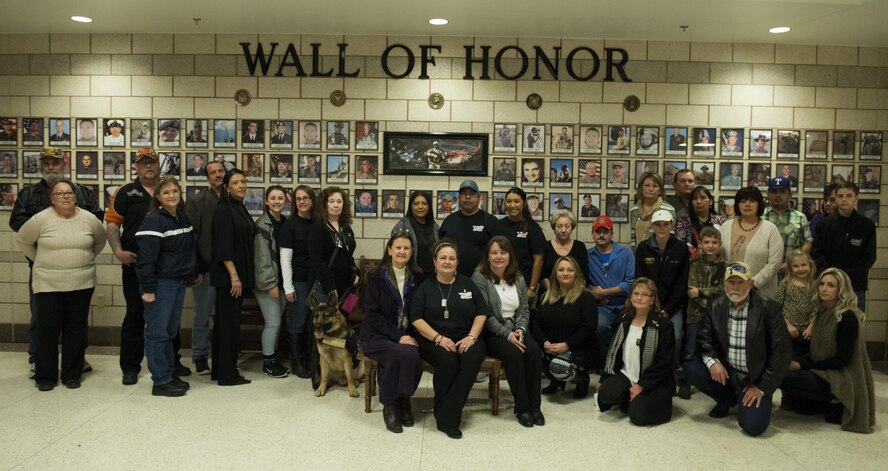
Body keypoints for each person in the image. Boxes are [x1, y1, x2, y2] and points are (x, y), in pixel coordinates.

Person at [9, 147, 103, 379]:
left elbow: (97, 226)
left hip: (78, 272)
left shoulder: (83, 192)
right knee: (42, 320)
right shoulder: (28, 194)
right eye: (47, 163)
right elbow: (19, 225)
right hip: (43, 270)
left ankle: (76, 361)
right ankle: (37, 362)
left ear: (64, 165)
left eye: (55, 163)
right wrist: (48, 227)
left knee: (75, 322)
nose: (51, 167)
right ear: (41, 166)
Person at [106, 148, 188, 385]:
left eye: (152, 163)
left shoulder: (169, 192)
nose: (148, 167)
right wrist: (117, 251)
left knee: (168, 318)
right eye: (143, 164)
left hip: (166, 270)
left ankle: (172, 361)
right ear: (137, 167)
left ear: (158, 166)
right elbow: (112, 225)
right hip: (136, 266)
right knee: (135, 314)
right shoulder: (125, 192)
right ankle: (130, 367)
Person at [684, 261, 791, 436]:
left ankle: (749, 398)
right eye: (731, 282)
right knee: (691, 368)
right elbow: (704, 338)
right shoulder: (716, 305)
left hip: (755, 377)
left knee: (753, 427)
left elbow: (783, 352)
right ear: (724, 283)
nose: (735, 287)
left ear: (750, 283)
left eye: (740, 282)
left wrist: (762, 387)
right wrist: (713, 363)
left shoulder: (768, 308)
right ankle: (728, 398)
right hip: (728, 371)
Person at [779, 268, 875, 434]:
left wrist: (802, 366)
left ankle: (835, 400)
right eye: (822, 284)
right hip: (823, 368)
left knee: (787, 376)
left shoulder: (847, 317)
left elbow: (842, 360)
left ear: (841, 290)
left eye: (831, 285)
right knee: (778, 362)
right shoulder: (823, 312)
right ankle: (818, 403)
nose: (824, 288)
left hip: (840, 375)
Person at [410, 240, 488, 439]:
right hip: (432, 338)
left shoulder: (467, 284)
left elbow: (482, 312)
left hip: (467, 337)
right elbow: (416, 318)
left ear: (457, 262)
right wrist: (438, 338)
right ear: (435, 261)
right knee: (448, 361)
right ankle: (449, 417)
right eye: (443, 258)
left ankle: (445, 413)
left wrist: (471, 337)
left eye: (451, 258)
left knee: (472, 359)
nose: (447, 261)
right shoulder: (425, 287)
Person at [135, 176, 200, 397]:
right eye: (166, 192)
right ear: (158, 197)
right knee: (156, 333)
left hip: (178, 282)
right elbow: (145, 260)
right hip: (160, 285)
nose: (171, 195)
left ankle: (170, 373)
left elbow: (188, 250)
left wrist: (192, 273)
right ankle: (160, 380)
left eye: (174, 191)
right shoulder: (154, 221)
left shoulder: (181, 218)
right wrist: (148, 289)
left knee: (170, 331)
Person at [472, 237, 543, 427]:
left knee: (534, 352)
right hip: (493, 333)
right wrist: (507, 334)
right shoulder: (479, 278)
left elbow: (525, 310)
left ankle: (535, 407)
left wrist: (520, 329)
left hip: (517, 328)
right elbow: (485, 314)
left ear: (509, 255)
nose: (498, 257)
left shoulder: (518, 278)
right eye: (494, 252)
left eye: (503, 252)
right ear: (487, 256)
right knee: (513, 354)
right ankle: (522, 408)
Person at [360, 232, 423, 433]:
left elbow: (420, 311)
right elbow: (372, 314)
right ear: (389, 250)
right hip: (377, 334)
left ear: (411, 252)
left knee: (411, 353)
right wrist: (398, 336)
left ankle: (404, 400)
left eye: (406, 248)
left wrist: (411, 335)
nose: (402, 251)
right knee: (397, 353)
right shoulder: (376, 277)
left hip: (407, 334)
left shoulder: (418, 278)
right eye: (398, 247)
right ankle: (390, 406)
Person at [598, 278, 676, 425]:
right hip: (627, 373)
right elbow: (613, 352)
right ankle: (629, 395)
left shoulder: (664, 325)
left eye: (644, 295)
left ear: (652, 299)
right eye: (636, 293)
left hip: (654, 381)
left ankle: (643, 399)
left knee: (637, 416)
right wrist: (604, 378)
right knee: (605, 394)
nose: (639, 298)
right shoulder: (623, 319)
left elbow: (664, 363)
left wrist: (641, 385)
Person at [211, 169, 255, 386]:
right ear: (226, 187)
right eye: (236, 182)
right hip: (229, 279)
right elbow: (224, 246)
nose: (241, 185)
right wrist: (235, 277)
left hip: (235, 277)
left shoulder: (238, 206)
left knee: (226, 324)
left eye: (243, 181)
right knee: (228, 327)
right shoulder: (224, 209)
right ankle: (228, 375)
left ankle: (221, 370)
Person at [183, 159, 227, 375]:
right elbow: (191, 238)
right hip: (206, 270)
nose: (217, 175)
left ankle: (223, 354)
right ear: (207, 177)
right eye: (213, 172)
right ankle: (200, 356)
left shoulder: (235, 200)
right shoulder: (197, 201)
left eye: (220, 171)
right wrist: (196, 269)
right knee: (202, 315)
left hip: (229, 272)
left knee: (224, 316)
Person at [533, 255, 598, 398]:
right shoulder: (546, 296)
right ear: (555, 274)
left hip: (578, 349)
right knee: (533, 354)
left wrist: (567, 345)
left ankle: (582, 379)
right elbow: (537, 323)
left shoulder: (586, 297)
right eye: (561, 270)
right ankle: (556, 380)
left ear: (576, 274)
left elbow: (589, 327)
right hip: (551, 347)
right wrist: (544, 342)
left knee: (559, 366)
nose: (565, 273)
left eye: (570, 270)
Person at [811, 182, 876, 312]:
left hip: (855, 287)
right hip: (827, 287)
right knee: (827, 327)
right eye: (840, 196)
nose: (844, 199)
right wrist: (831, 278)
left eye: (849, 196)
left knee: (853, 327)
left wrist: (843, 278)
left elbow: (868, 258)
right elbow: (817, 254)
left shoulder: (867, 226)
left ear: (856, 198)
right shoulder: (823, 226)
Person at [634, 209, 690, 361]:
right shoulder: (643, 248)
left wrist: (668, 309)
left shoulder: (681, 249)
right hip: (648, 304)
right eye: (658, 225)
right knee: (644, 337)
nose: (661, 228)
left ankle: (668, 370)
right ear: (652, 226)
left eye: (665, 224)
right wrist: (650, 306)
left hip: (673, 306)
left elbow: (681, 282)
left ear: (672, 226)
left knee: (676, 337)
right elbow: (640, 281)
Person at [681, 227, 726, 399]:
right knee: (691, 349)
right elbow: (690, 291)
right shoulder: (693, 263)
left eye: (714, 242)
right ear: (700, 244)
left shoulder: (725, 266)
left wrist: (701, 293)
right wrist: (703, 295)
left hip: (716, 317)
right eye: (706, 242)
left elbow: (723, 291)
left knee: (713, 349)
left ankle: (712, 382)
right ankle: (686, 381)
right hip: (694, 315)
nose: (711, 246)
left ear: (720, 244)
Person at [719, 186, 784, 300]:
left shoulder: (770, 229)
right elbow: (719, 257)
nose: (747, 204)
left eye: (752, 201)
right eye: (743, 201)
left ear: (759, 204)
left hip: (760, 293)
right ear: (737, 205)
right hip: (729, 291)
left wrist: (752, 284)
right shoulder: (725, 226)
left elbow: (774, 263)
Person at [586, 215, 635, 365]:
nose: (601, 235)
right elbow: (582, 281)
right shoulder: (587, 255)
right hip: (602, 306)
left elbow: (630, 282)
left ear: (612, 233)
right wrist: (594, 293)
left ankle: (624, 364)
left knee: (631, 330)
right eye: (598, 231)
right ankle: (606, 362)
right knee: (600, 327)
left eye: (605, 232)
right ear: (593, 234)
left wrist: (604, 293)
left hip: (625, 304)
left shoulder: (626, 253)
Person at [279, 185, 316, 378]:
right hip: (298, 281)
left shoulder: (317, 223)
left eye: (306, 198)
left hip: (315, 281)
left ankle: (311, 360)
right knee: (297, 322)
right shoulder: (289, 225)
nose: (302, 202)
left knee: (311, 323)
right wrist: (288, 287)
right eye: (298, 199)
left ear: (312, 200)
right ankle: (297, 362)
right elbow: (285, 259)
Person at [253, 185, 291, 378]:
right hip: (268, 284)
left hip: (282, 283)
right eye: (273, 198)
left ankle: (274, 358)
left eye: (280, 198)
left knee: (277, 322)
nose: (277, 201)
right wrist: (270, 284)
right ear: (266, 201)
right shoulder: (262, 224)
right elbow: (262, 259)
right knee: (273, 323)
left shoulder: (284, 222)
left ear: (286, 201)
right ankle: (268, 362)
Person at [494, 187, 545, 305]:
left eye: (516, 201)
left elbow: (539, 259)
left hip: (524, 284)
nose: (512, 205)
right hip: (500, 283)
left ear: (524, 203)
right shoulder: (498, 226)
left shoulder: (532, 227)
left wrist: (532, 288)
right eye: (508, 201)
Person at [438, 179, 497, 278]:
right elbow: (440, 249)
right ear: (459, 198)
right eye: (463, 194)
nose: (468, 197)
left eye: (472, 194)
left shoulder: (490, 221)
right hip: (452, 278)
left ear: (479, 198)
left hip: (484, 278)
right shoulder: (449, 221)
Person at [763, 177, 812, 276]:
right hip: (763, 272)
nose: (778, 195)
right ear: (768, 194)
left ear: (790, 194)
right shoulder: (759, 217)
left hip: (791, 273)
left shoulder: (800, 218)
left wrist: (792, 263)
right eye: (774, 191)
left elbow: (807, 242)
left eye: (782, 191)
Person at [775, 250, 817, 352]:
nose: (800, 269)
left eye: (803, 265)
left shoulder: (815, 285)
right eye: (796, 266)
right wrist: (788, 326)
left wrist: (811, 326)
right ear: (790, 268)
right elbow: (777, 308)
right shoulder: (785, 284)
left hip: (808, 332)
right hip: (787, 330)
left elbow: (818, 308)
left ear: (810, 265)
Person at [392, 190, 439, 277]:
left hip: (432, 277)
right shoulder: (402, 226)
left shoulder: (435, 226)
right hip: (410, 276)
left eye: (424, 203)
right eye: (416, 203)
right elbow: (394, 253)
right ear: (411, 206)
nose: (420, 207)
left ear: (429, 206)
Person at [542, 210, 589, 292]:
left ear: (572, 228)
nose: (563, 230)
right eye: (559, 226)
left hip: (575, 295)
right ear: (554, 228)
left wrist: (572, 294)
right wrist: (553, 293)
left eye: (567, 226)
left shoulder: (580, 247)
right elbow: (542, 275)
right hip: (549, 293)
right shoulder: (545, 246)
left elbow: (584, 275)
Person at [628, 172, 676, 248]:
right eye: (647, 185)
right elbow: (633, 237)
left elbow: (671, 237)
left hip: (660, 255)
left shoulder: (668, 209)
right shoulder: (634, 210)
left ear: (660, 190)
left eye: (655, 186)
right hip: (638, 255)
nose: (651, 189)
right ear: (641, 188)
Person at [674, 186, 726, 254]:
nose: (699, 201)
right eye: (695, 198)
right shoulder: (683, 219)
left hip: (716, 260)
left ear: (710, 201)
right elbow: (679, 243)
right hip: (691, 261)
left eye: (703, 198)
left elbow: (724, 244)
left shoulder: (721, 220)